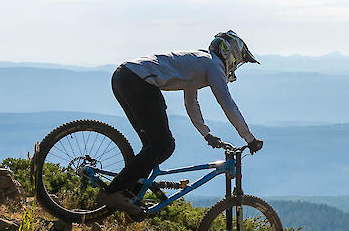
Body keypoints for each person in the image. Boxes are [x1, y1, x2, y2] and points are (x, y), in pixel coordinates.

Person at [96, 30, 265, 216]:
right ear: (229, 53)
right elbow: (227, 104)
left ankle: (129, 199)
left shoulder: (200, 61)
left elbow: (191, 103)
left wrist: (206, 134)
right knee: (164, 146)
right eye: (237, 61)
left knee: (152, 148)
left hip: (124, 76)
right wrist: (249, 138)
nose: (235, 66)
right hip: (138, 82)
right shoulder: (213, 65)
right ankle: (113, 193)